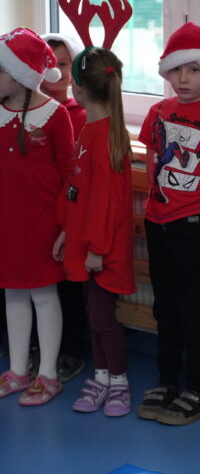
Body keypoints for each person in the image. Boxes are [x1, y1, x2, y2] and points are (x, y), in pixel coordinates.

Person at [136, 22, 200, 426]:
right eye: (177, 70)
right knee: (165, 306)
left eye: (194, 70)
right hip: (158, 221)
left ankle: (198, 388)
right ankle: (166, 381)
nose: (184, 78)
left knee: (195, 308)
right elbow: (152, 156)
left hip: (198, 225)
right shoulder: (158, 111)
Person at [54, 46, 136, 417]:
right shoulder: (89, 129)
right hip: (85, 242)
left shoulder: (106, 137)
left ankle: (119, 381)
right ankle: (102, 377)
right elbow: (77, 189)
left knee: (103, 319)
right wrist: (66, 231)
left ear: (78, 87)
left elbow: (107, 202)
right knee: (94, 316)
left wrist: (97, 248)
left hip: (101, 250)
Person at [0, 28, 74, 405]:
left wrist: (65, 226)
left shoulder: (56, 115)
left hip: (43, 223)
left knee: (44, 295)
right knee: (13, 292)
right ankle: (17, 370)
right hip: (7, 223)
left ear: (20, 75)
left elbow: (69, 174)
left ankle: (48, 374)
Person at [41, 32, 88, 383]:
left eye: (63, 64)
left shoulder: (82, 114)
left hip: (70, 212)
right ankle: (36, 348)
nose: (56, 71)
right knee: (37, 285)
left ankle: (71, 350)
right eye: (48, 64)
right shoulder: (26, 112)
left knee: (69, 285)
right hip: (36, 211)